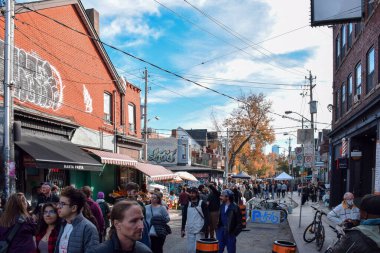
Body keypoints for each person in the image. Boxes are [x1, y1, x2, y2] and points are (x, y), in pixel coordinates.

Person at [55, 186, 99, 253]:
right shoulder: (63, 224)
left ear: (74, 208)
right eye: (59, 203)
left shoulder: (88, 228)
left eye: (62, 204)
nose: (58, 207)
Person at [181, 187, 209, 253]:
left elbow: (207, 217)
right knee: (190, 249)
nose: (191, 195)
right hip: (190, 229)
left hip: (200, 230)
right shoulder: (187, 204)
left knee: (199, 249)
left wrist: (204, 228)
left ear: (197, 194)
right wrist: (182, 229)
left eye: (193, 193)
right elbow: (184, 217)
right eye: (190, 193)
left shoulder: (202, 204)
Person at [124, 182, 150, 248]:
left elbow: (144, 218)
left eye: (135, 192)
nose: (131, 193)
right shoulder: (123, 204)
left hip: (141, 231)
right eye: (128, 191)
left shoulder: (140, 204)